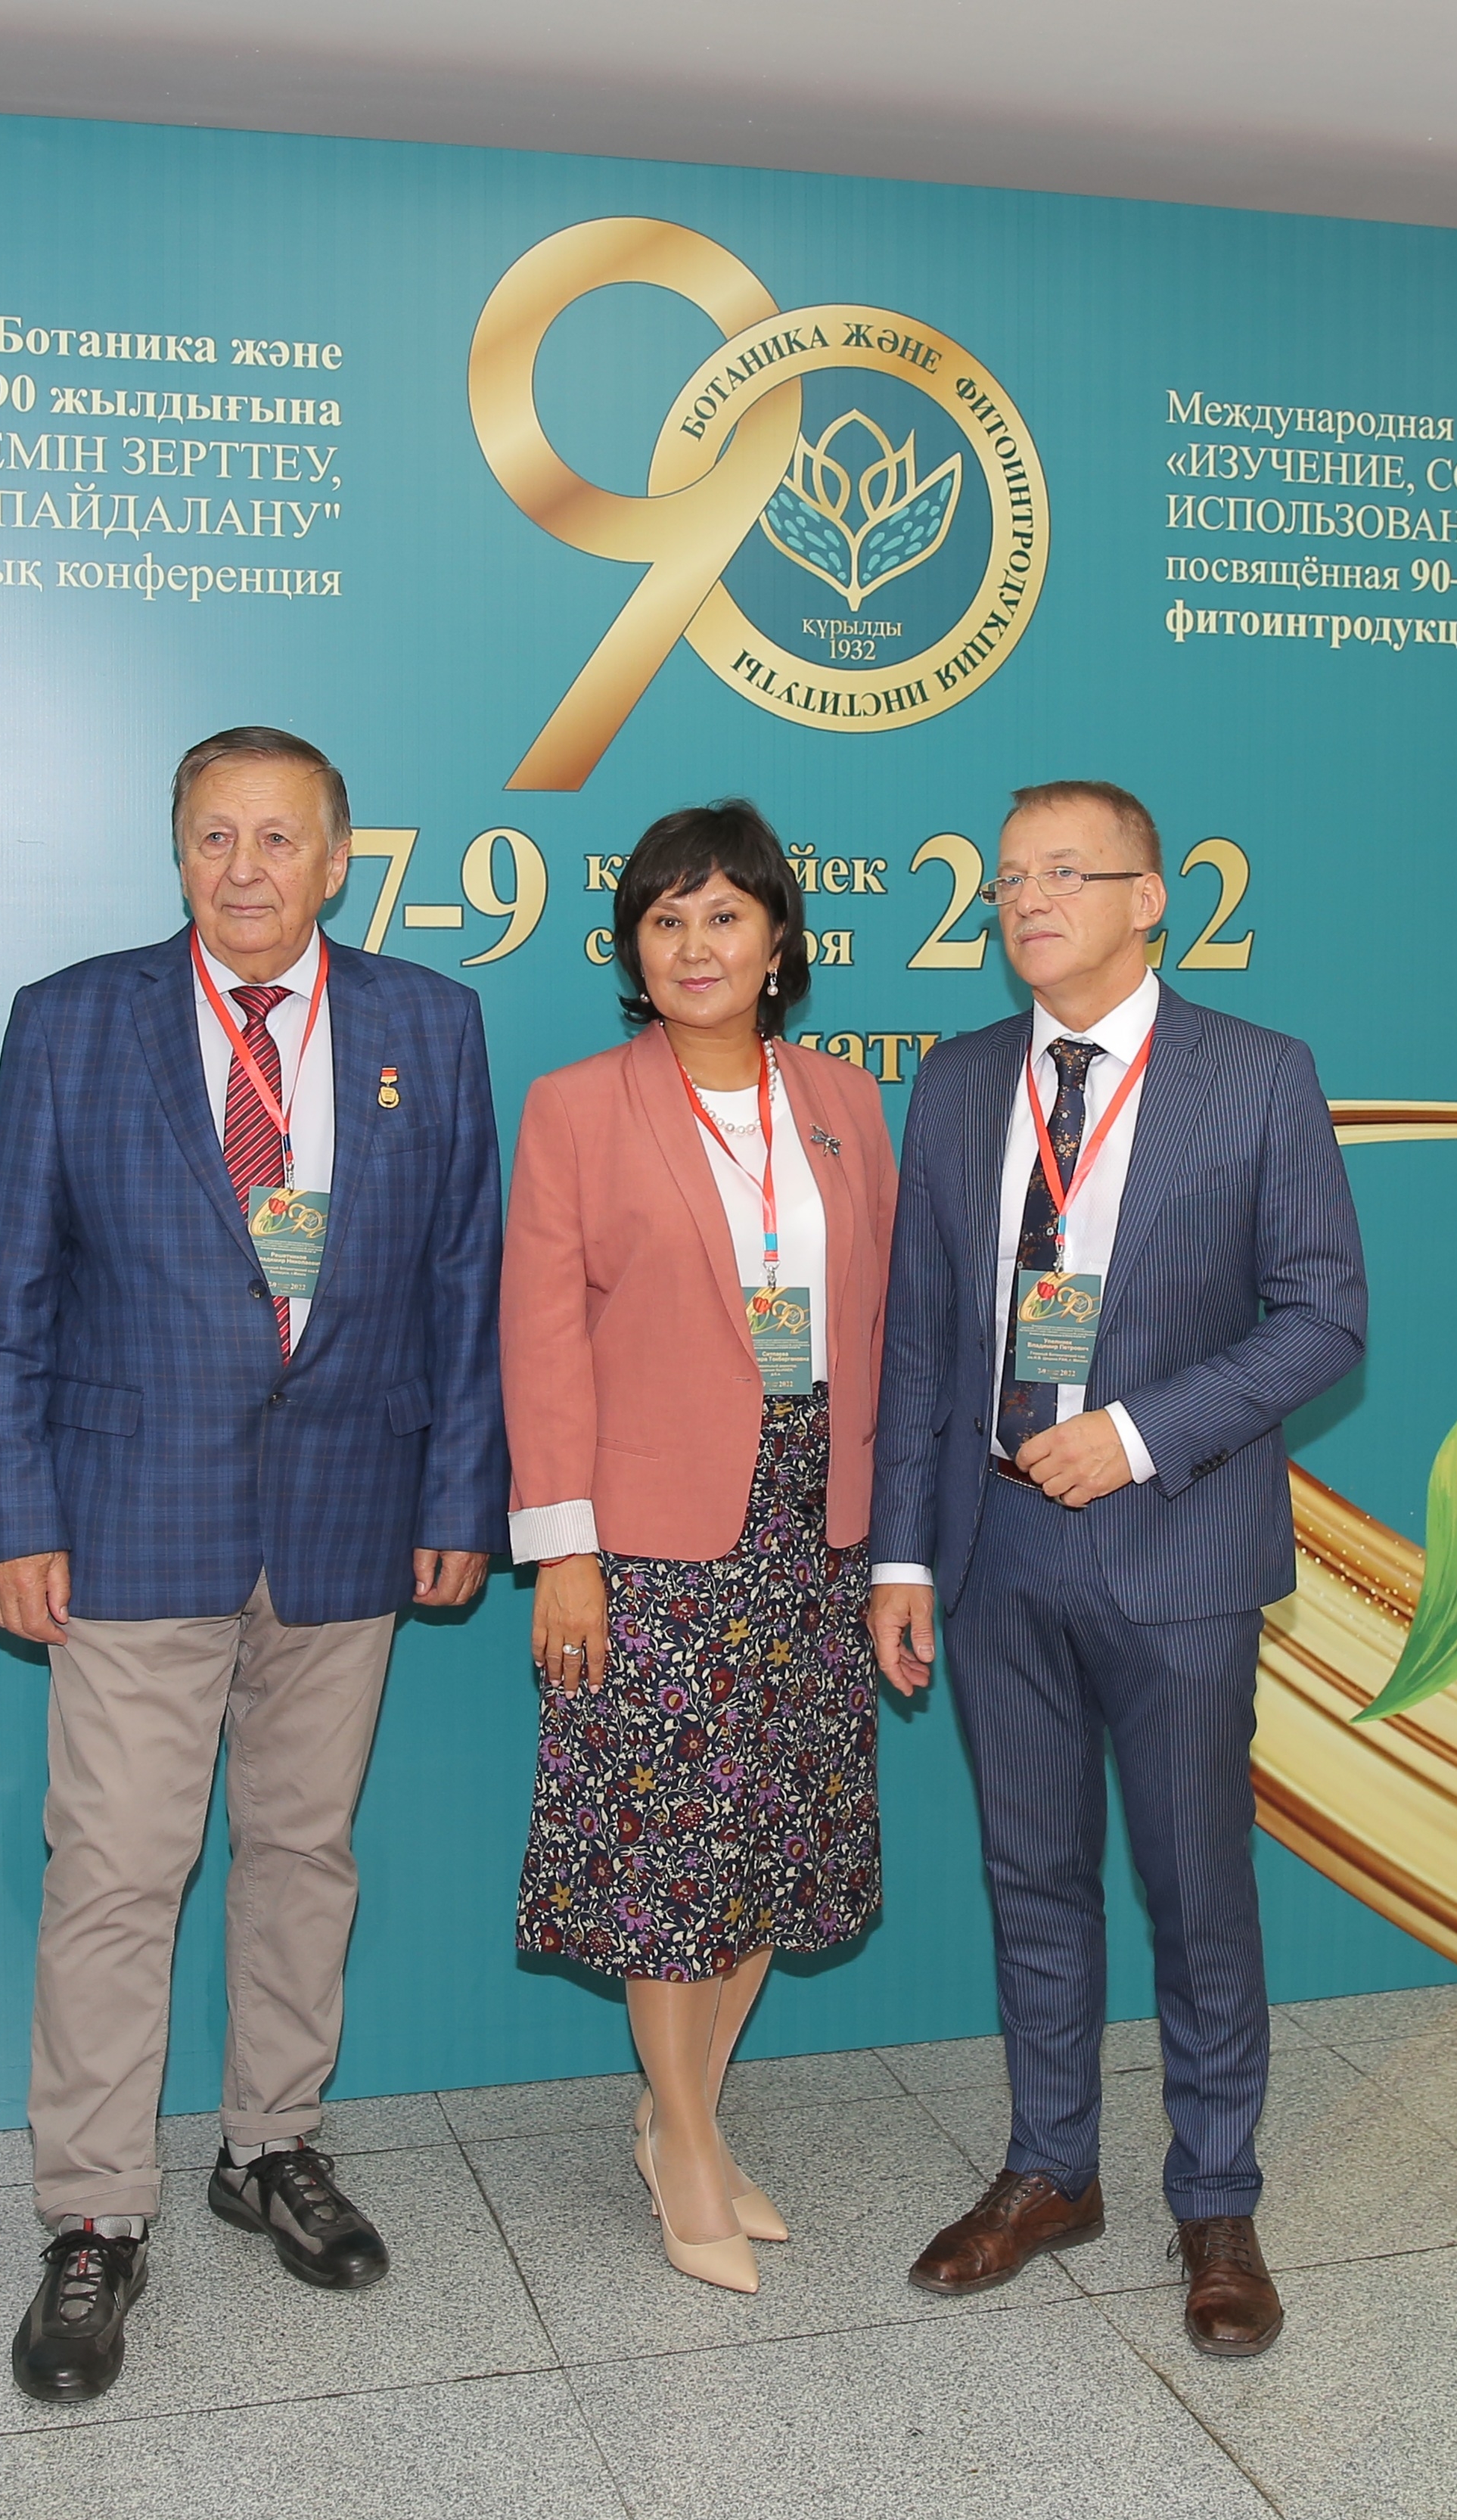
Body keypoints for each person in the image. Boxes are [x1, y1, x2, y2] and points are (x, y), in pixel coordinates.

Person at [0, 724, 507, 2400]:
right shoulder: (73, 1019)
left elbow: (463, 1284)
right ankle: (93, 2216)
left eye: (280, 837)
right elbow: (7, 1297)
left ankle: (270, 2144)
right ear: (179, 851)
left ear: (339, 859)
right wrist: (15, 1516)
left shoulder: (429, 1022)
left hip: (351, 1508)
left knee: (302, 1851)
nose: (247, 868)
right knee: (117, 1869)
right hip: (133, 1517)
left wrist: (460, 1496)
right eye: (215, 835)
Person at [867, 778, 1365, 2357]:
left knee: (1195, 1885)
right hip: (996, 1546)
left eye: (1065, 873)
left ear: (1150, 900)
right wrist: (899, 1554)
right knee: (1032, 1873)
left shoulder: (1257, 1075)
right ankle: (1051, 2170)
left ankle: (1215, 2201)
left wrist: (1139, 1434)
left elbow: (1323, 1319)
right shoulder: (959, 1081)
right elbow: (920, 1333)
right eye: (1010, 877)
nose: (1028, 899)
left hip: (1178, 1546)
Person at [501, 800, 897, 2295]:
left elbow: (884, 1325)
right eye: (664, 920)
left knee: (774, 1847)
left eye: (724, 914)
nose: (694, 944)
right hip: (651, 1542)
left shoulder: (846, 1102)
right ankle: (682, 2145)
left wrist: (894, 1544)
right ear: (633, 951)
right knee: (670, 1861)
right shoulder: (576, 1108)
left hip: (814, 1525)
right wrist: (564, 1550)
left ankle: (684, 2118)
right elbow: (540, 1341)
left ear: (778, 939)